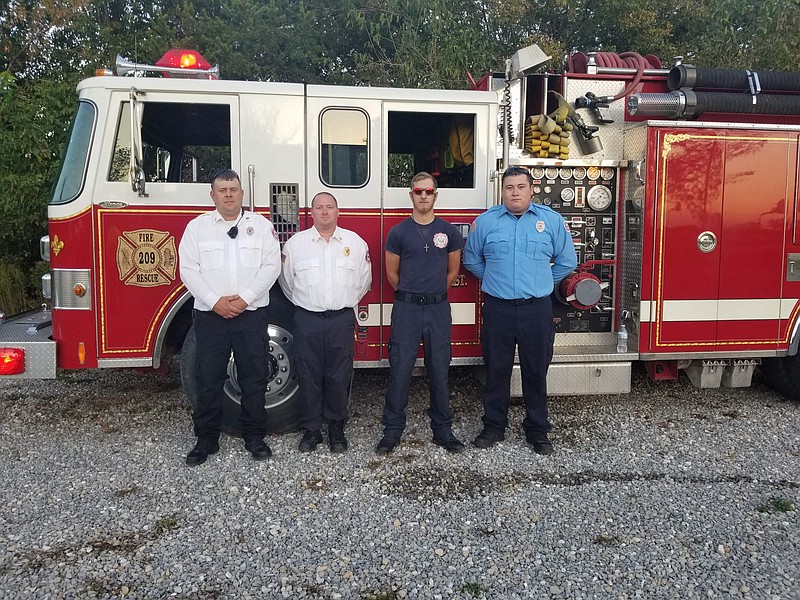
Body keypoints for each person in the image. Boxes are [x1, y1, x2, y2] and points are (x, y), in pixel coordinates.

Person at [463, 166, 577, 455]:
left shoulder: (550, 221)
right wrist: (495, 279)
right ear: (502, 191)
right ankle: (493, 426)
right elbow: (472, 260)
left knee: (536, 372)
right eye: (509, 187)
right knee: (496, 371)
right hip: (498, 309)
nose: (515, 192)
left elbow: (566, 262)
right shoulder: (486, 223)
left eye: (521, 187)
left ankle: (537, 430)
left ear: (531, 189)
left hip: (536, 310)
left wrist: (541, 281)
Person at [179, 168, 281, 465]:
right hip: (211, 316)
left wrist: (245, 299)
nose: (228, 194)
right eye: (222, 190)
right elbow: (188, 270)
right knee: (208, 378)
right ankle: (206, 439)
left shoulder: (260, 226)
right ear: (212, 195)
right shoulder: (197, 228)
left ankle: (255, 437)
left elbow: (271, 266)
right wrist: (214, 302)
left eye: (233, 189)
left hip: (250, 315)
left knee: (254, 378)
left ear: (242, 193)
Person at [376, 172, 465, 455]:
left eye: (428, 191)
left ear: (435, 195)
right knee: (400, 370)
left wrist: (434, 292)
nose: (423, 196)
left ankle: (443, 431)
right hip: (407, 310)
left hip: (438, 309)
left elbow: (453, 272)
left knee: (439, 371)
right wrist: (412, 294)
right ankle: (392, 431)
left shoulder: (448, 232)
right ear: (411, 195)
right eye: (418, 191)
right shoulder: (399, 232)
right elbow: (392, 274)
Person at [279, 192, 371, 453]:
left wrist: (345, 302)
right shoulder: (296, 245)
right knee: (308, 375)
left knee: (339, 376)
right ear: (311, 213)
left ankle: (336, 428)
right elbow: (287, 283)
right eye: (319, 207)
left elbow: (363, 281)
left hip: (340, 319)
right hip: (307, 319)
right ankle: (311, 430)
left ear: (338, 211)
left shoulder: (354, 243)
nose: (325, 212)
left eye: (329, 207)